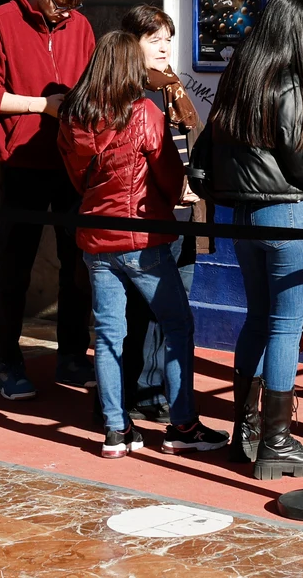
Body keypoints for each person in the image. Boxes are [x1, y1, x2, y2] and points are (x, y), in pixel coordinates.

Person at [193, 0, 303, 481]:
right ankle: (276, 441)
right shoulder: (289, 84)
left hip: (243, 218)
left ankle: (247, 432)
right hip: (288, 216)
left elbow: (203, 156)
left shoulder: (239, 79)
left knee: (258, 321)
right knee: (285, 327)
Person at [60, 32, 230, 458]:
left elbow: (77, 177)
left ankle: (116, 430)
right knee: (177, 325)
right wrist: (174, 196)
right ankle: (183, 425)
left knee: (108, 334)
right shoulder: (144, 112)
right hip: (141, 237)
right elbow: (169, 175)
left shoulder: (75, 116)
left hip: (96, 236)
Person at [0, 0, 97, 400]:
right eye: (60, 3)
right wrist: (42, 106)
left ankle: (73, 355)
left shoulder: (80, 26)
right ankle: (7, 360)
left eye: (74, 6)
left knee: (78, 264)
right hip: (22, 163)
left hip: (74, 162)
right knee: (15, 265)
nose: (67, 14)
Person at [118, 5, 203, 425]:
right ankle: (140, 391)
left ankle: (161, 391)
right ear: (131, 43)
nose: (165, 47)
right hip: (149, 215)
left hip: (183, 213)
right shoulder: (129, 92)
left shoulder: (171, 87)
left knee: (173, 311)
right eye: (154, 40)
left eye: (168, 39)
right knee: (144, 310)